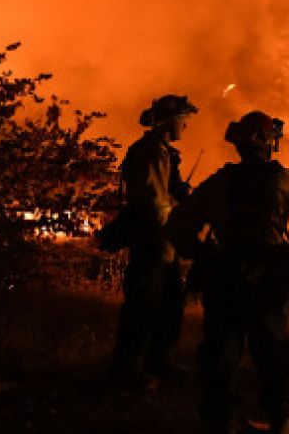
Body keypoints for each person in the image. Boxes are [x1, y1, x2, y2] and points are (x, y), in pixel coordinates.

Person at [165, 111, 289, 434]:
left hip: (224, 276)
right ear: (268, 143)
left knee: (222, 351)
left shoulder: (220, 181)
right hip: (268, 278)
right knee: (270, 349)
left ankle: (222, 419)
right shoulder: (282, 179)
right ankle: (282, 418)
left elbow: (177, 225)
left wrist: (202, 253)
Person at [111, 94, 197, 391]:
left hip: (165, 240)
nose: (186, 125)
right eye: (184, 119)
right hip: (154, 240)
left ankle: (158, 360)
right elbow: (152, 201)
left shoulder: (162, 152)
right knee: (144, 305)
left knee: (170, 303)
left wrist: (180, 194)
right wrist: (165, 239)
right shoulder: (151, 153)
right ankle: (129, 369)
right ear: (169, 120)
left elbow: (164, 194)